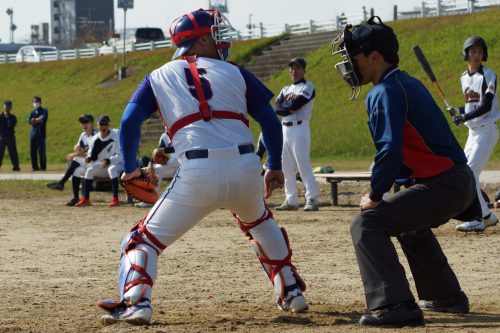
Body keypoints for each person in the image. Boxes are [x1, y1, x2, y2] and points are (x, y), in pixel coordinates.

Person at [96, 9, 308, 326]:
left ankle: (136, 302)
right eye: (217, 33)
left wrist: (129, 169)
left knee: (142, 241)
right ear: (204, 39)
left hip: (198, 172)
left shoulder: (157, 76)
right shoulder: (236, 72)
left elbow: (129, 122)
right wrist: (274, 164)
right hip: (246, 164)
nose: (224, 39)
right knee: (260, 222)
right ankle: (291, 291)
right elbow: (269, 121)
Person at [331, 17, 478, 327]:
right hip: (456, 183)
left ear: (373, 57)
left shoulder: (385, 90)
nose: (348, 64)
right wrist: (383, 190)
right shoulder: (405, 82)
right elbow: (402, 156)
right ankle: (446, 296)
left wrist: (373, 195)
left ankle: (395, 305)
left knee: (366, 224)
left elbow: (390, 151)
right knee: (408, 221)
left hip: (444, 185)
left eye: (353, 55)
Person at [448, 36, 499, 232]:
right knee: (464, 174)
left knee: (470, 175)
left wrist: (465, 116)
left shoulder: (488, 75)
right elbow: (472, 105)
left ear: (483, 54)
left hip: (486, 131)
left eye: (479, 52)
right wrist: (460, 112)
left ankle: (481, 217)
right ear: (466, 53)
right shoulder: (464, 77)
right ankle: (486, 216)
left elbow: (486, 106)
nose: (476, 55)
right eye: (472, 51)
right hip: (473, 133)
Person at [274, 57, 319, 211]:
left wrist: (287, 107)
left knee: (303, 165)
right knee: (286, 167)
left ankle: (312, 198)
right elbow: (277, 108)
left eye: (298, 67)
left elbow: (295, 105)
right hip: (285, 129)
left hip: (300, 128)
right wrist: (289, 108)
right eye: (292, 68)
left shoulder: (308, 86)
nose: (294, 71)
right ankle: (291, 200)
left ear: (304, 70)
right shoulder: (285, 89)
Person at [46, 113, 97, 206]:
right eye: (82, 122)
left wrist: (75, 154)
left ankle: (61, 183)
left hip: (98, 164)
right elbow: (78, 148)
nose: (84, 124)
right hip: (87, 162)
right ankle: (76, 198)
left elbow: (94, 154)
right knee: (76, 171)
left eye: (86, 122)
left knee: (76, 158)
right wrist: (76, 149)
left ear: (92, 123)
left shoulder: (96, 135)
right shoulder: (83, 135)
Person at [75, 115, 122, 207]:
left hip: (118, 166)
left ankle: (115, 199)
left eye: (106, 124)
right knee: (90, 170)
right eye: (101, 124)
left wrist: (109, 161)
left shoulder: (115, 136)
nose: (104, 126)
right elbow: (91, 154)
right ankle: (86, 199)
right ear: (97, 125)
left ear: (109, 125)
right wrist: (88, 158)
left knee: (111, 169)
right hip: (104, 166)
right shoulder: (95, 138)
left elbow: (120, 156)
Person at [135, 132, 179, 208]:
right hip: (172, 166)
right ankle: (151, 199)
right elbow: (157, 152)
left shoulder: (181, 132)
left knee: (171, 161)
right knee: (157, 170)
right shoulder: (164, 136)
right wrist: (150, 163)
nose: (166, 125)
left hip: (184, 163)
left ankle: (142, 170)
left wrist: (164, 150)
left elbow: (180, 147)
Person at [27, 96, 48, 171]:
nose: (35, 103)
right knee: (33, 152)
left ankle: (43, 167)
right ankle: (34, 167)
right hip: (33, 134)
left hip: (41, 134)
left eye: (37, 102)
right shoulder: (32, 112)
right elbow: (28, 121)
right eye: (34, 102)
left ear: (40, 102)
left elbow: (42, 119)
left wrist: (34, 120)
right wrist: (36, 120)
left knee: (41, 152)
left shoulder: (44, 110)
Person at [0, 100, 20, 171]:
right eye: (5, 105)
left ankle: (16, 167)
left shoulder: (13, 117)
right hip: (1, 137)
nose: (7, 107)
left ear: (11, 107)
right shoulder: (0, 117)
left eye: (8, 106)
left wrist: (8, 117)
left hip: (10, 137)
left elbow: (10, 125)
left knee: (13, 152)